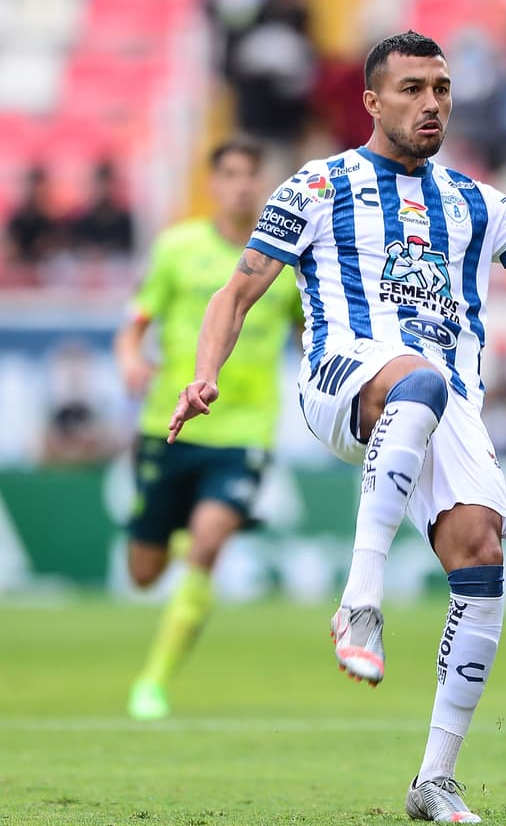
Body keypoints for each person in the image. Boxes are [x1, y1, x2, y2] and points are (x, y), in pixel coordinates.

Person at [167, 31, 506, 822]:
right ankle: (360, 598)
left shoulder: (475, 201)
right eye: (411, 88)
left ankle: (434, 777)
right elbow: (234, 294)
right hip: (348, 375)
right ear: (372, 102)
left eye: (440, 87)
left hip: (445, 403)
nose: (431, 102)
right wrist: (205, 375)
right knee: (416, 379)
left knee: (481, 554)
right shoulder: (318, 185)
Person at [114, 138, 301, 721]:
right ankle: (178, 532)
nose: (242, 186)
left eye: (252, 175)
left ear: (263, 184)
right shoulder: (177, 248)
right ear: (214, 184)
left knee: (208, 544)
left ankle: (153, 682)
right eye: (231, 175)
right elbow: (136, 320)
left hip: (243, 431)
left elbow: (312, 334)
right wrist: (128, 359)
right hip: (166, 425)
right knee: (144, 575)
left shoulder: (285, 264)